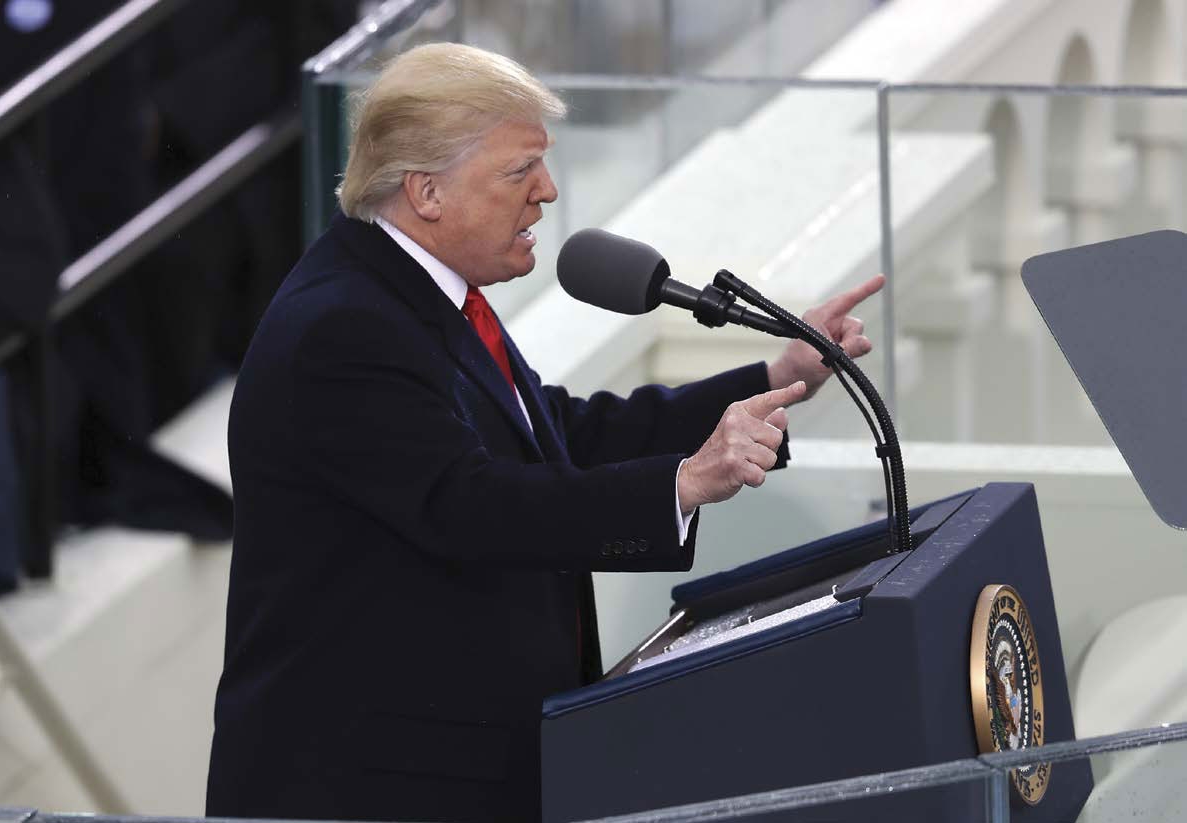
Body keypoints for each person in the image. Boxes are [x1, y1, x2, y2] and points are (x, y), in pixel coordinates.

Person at [206, 42, 884, 823]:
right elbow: (469, 505)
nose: (547, 193)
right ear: (426, 191)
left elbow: (552, 432)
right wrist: (681, 485)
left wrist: (771, 377)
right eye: (517, 171)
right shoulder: (343, 326)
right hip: (378, 788)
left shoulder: (410, 292)